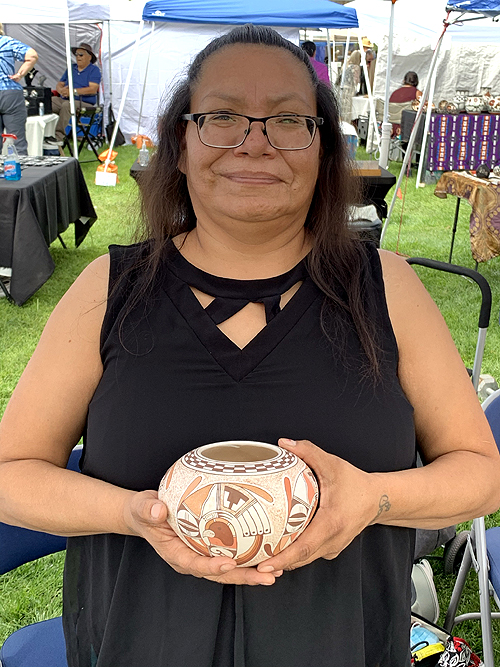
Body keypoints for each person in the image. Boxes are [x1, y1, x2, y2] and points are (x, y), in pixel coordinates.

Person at [0, 24, 499, 667]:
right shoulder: (109, 290)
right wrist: (132, 514)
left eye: (289, 120)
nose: (255, 142)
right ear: (181, 144)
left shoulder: (389, 289)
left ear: (323, 149)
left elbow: (481, 474)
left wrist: (374, 498)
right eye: (223, 117)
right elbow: (12, 474)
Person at [48, 42, 101, 145]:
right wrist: (61, 91)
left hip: (84, 102)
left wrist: (73, 92)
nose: (78, 57)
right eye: (76, 54)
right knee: (48, 102)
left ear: (89, 57)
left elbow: (93, 89)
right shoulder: (71, 68)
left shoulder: (94, 70)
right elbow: (60, 83)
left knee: (67, 105)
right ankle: (45, 134)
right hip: (65, 99)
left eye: (81, 55)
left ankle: (58, 137)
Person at [0, 23, 38, 155]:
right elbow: (32, 56)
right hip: (10, 92)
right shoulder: (7, 42)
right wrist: (20, 74)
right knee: (17, 141)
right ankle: (20, 165)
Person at [339, 50, 361, 123]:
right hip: (350, 89)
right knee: (348, 110)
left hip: (342, 89)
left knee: (343, 110)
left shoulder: (345, 65)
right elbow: (356, 80)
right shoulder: (356, 67)